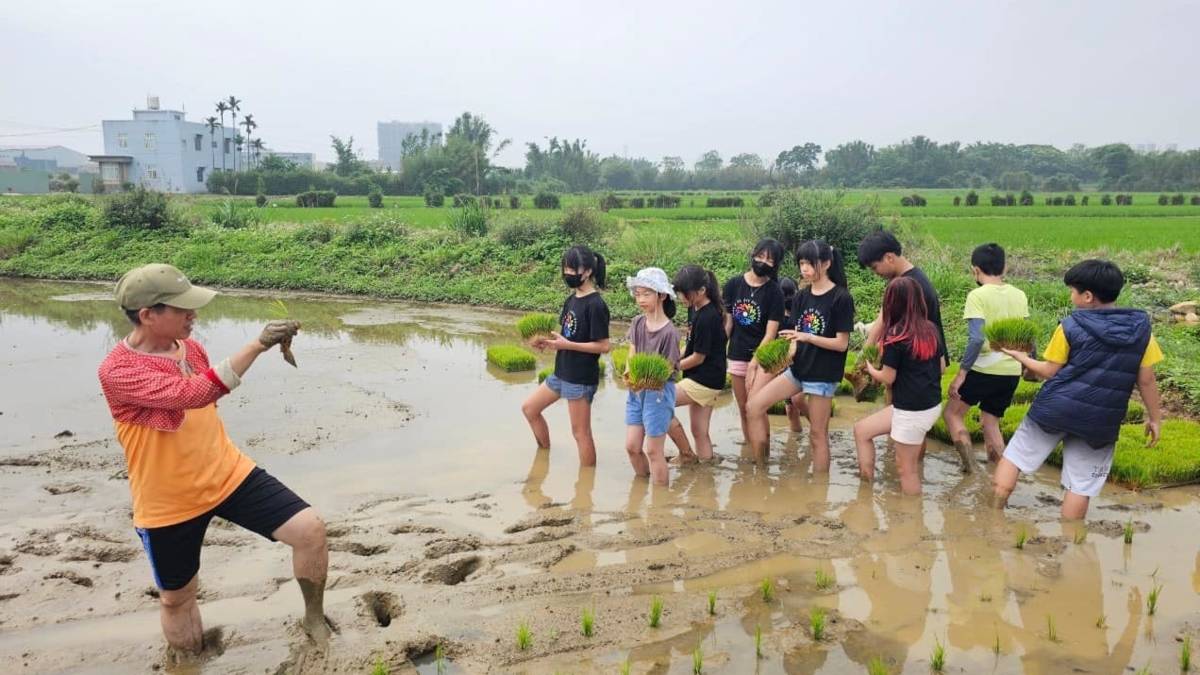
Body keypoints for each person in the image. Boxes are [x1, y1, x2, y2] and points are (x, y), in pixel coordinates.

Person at [97, 264, 328, 653]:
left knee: (310, 531)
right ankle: (189, 660)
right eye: (182, 309)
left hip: (228, 473)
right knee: (178, 598)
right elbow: (192, 394)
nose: (194, 316)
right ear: (148, 315)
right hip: (168, 499)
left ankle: (314, 618)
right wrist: (257, 345)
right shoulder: (117, 371)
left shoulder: (191, 347)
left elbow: (208, 396)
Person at [993, 259, 1164, 520]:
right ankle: (1071, 542)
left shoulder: (1071, 326)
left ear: (1087, 296)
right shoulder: (1142, 333)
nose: (1070, 296)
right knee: (1080, 485)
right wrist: (1155, 418)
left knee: (1015, 457)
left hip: (1055, 408)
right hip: (1100, 421)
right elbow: (1147, 381)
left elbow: (1049, 371)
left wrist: (1021, 357)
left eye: (1073, 291)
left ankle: (993, 515)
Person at [747, 241, 853, 468]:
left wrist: (809, 337)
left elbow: (842, 344)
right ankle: (760, 468)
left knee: (817, 434)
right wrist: (785, 358)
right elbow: (795, 338)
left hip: (822, 375)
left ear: (826, 264)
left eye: (809, 263)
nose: (804, 268)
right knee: (754, 407)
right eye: (801, 263)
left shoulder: (841, 298)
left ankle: (818, 492)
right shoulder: (801, 297)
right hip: (798, 370)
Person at [521, 245, 611, 467]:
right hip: (561, 373)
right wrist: (551, 343)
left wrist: (568, 344)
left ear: (588, 271)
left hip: (579, 377)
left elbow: (604, 346)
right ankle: (543, 457)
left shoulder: (596, 304)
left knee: (580, 433)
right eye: (566, 269)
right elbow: (567, 335)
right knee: (530, 409)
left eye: (573, 269)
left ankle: (586, 486)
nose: (568, 274)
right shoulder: (571, 299)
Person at [943, 243, 1029, 471]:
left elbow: (976, 339)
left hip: (983, 370)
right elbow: (1027, 334)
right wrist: (1029, 364)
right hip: (1010, 371)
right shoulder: (1019, 295)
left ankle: (970, 468)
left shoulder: (977, 295)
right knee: (990, 422)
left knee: (952, 414)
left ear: (975, 270)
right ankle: (1000, 474)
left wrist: (962, 374)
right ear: (1005, 268)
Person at [853, 276, 943, 495]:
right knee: (861, 431)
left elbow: (888, 378)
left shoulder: (895, 337)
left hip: (911, 411)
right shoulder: (931, 330)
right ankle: (865, 491)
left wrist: (870, 368)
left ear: (890, 304)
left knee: (906, 470)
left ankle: (910, 521)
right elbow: (941, 368)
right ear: (918, 301)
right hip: (928, 405)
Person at [723, 238, 786, 444]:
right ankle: (750, 448)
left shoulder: (775, 292)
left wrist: (756, 360)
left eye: (769, 259)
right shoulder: (733, 285)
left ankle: (763, 451)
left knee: (756, 407)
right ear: (753, 254)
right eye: (760, 256)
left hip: (762, 358)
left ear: (775, 265)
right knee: (743, 407)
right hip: (737, 353)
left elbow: (771, 333)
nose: (763, 261)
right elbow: (728, 324)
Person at [622, 268, 681, 485]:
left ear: (662, 295)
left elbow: (667, 368)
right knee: (632, 447)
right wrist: (629, 373)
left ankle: (659, 504)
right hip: (636, 392)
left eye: (646, 294)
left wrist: (646, 379)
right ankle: (641, 488)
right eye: (638, 294)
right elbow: (633, 350)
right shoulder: (637, 322)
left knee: (654, 451)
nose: (640, 300)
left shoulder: (670, 333)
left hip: (658, 394)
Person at [856, 230, 947, 366]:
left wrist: (863, 358)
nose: (876, 273)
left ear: (889, 258)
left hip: (918, 366)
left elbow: (883, 322)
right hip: (919, 363)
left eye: (875, 267)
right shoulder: (909, 279)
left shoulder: (908, 286)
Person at [666, 265, 728, 463]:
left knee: (658, 402)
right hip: (708, 378)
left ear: (701, 291)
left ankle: (686, 455)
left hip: (704, 379)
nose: (682, 298)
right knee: (700, 431)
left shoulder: (707, 317)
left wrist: (672, 367)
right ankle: (706, 474)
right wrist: (675, 357)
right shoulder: (695, 309)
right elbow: (691, 345)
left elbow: (698, 358)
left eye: (685, 294)